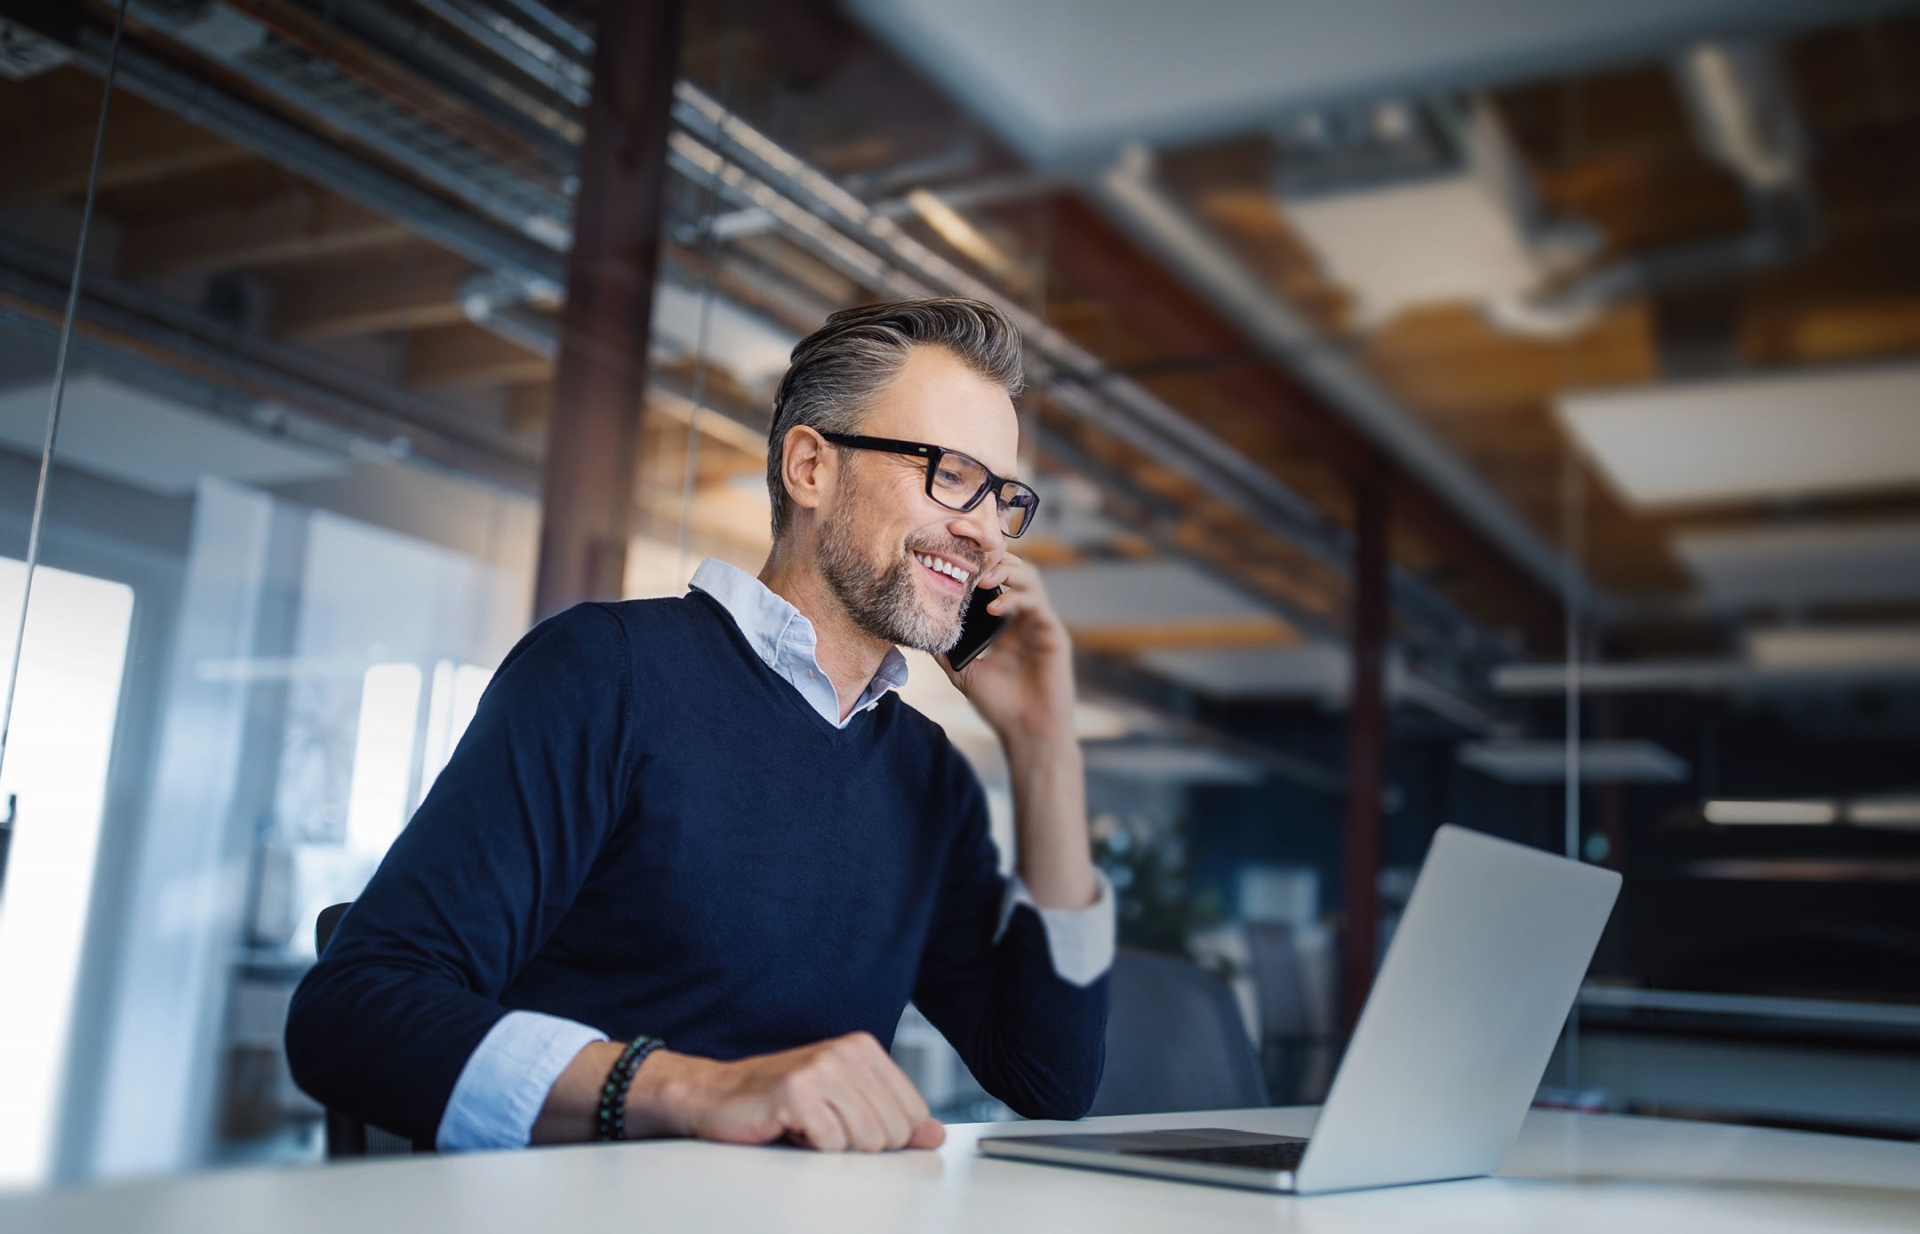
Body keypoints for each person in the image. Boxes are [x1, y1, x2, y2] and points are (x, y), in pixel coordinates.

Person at [287, 298, 1113, 1154]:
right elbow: (355, 1012)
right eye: (949, 473)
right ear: (810, 468)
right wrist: (697, 1089)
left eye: (1004, 497)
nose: (983, 530)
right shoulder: (607, 672)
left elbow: (1049, 1078)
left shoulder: (922, 774)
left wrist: (1045, 748)